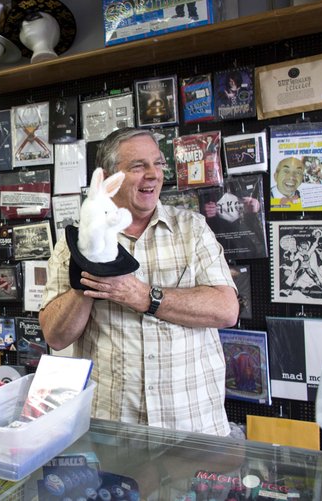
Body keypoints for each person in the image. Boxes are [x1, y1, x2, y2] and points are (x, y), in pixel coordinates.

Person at [39, 128, 238, 436]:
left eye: (157, 164)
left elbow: (226, 310)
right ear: (108, 179)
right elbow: (55, 336)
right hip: (113, 430)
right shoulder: (73, 243)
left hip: (192, 426)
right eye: (138, 166)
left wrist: (145, 296)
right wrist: (87, 275)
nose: (153, 175)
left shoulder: (192, 230)